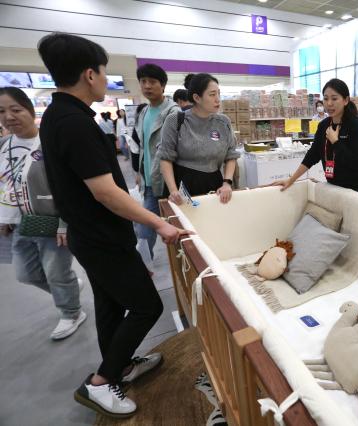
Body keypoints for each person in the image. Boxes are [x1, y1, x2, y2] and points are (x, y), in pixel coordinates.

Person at [37, 32, 191, 418]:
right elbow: (105, 191)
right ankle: (101, 382)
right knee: (146, 305)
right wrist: (159, 224)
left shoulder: (61, 116)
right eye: (105, 73)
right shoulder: (73, 122)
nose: (108, 80)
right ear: (90, 74)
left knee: (108, 305)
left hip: (91, 235)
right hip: (101, 236)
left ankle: (120, 365)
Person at [0, 86, 86, 340]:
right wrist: (4, 218)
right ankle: (69, 288)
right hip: (19, 223)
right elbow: (6, 184)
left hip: (50, 221)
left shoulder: (48, 143)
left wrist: (64, 222)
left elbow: (67, 187)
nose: (9, 117)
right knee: (25, 274)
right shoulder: (4, 146)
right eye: (2, 112)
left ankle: (71, 312)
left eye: (15, 110)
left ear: (29, 110)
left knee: (57, 272)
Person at [273, 78, 358, 194]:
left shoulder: (354, 125)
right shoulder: (323, 125)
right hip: (334, 187)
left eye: (334, 98)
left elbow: (357, 162)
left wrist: (336, 142)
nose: (329, 103)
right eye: (326, 98)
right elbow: (312, 155)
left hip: (356, 189)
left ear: (346, 100)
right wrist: (291, 180)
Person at [159, 73, 239, 204]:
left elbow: (231, 155)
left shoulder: (223, 122)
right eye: (212, 94)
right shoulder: (176, 120)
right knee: (183, 224)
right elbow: (165, 157)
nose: (218, 99)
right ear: (197, 97)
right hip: (182, 186)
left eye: (218, 93)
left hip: (215, 185)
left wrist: (227, 183)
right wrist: (173, 191)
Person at [134, 63, 180, 258]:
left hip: (168, 182)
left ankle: (146, 267)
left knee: (168, 228)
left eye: (152, 82)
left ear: (163, 85)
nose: (147, 86)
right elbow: (143, 147)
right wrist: (139, 172)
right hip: (149, 180)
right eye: (143, 81)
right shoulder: (143, 112)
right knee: (146, 230)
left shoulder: (173, 112)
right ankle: (146, 267)